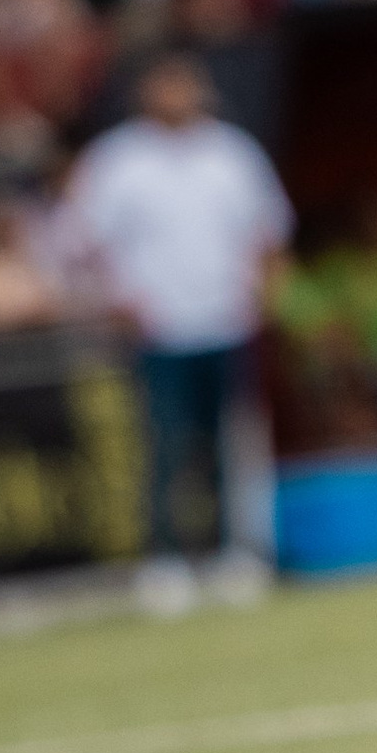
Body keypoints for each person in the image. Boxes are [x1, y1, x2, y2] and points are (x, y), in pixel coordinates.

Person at [58, 48, 291, 572]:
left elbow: (270, 231)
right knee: (163, 447)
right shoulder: (115, 161)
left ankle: (239, 551)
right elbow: (78, 243)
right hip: (157, 328)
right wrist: (115, 301)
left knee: (231, 445)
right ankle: (165, 557)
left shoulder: (232, 153)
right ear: (146, 92)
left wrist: (266, 294)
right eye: (167, 84)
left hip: (227, 321)